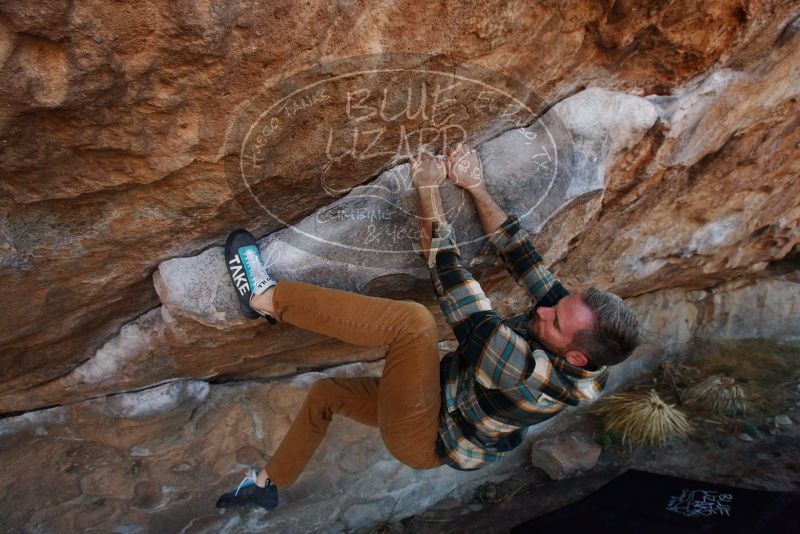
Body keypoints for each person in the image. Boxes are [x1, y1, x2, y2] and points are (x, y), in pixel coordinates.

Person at [215, 142, 640, 510]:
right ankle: (267, 485)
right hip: (442, 397)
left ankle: (263, 299)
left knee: (413, 324)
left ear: (575, 354)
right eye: (559, 304)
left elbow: (451, 278)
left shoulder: (527, 375)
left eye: (556, 320)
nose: (545, 309)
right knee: (328, 395)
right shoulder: (585, 345)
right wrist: (474, 185)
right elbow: (523, 257)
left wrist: (428, 187)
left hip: (425, 436)